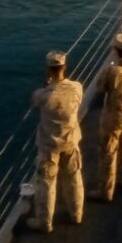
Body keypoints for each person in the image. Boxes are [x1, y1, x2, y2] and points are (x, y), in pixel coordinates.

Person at [26, 51, 84, 231]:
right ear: (64, 67)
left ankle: (45, 223)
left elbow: (34, 100)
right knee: (74, 179)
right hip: (71, 142)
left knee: (46, 184)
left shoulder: (43, 95)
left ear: (48, 69)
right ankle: (76, 214)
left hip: (49, 147)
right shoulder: (77, 88)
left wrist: (47, 86)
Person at [93, 34, 122, 201]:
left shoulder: (112, 71)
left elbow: (100, 88)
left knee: (109, 152)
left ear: (115, 50)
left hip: (113, 118)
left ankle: (106, 191)